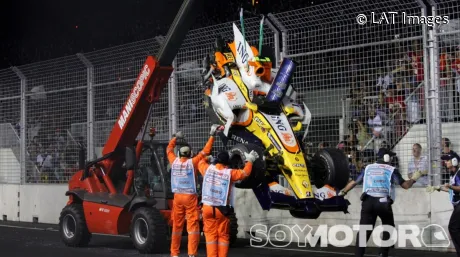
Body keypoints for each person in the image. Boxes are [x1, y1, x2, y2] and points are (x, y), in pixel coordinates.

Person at [338, 154, 427, 257]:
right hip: (383, 203)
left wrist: (343, 192)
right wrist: (414, 178)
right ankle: (383, 253)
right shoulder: (391, 169)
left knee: (364, 231)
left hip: (368, 202)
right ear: (388, 159)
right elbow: (405, 186)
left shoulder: (367, 168)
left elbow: (354, 182)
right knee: (389, 228)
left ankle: (358, 255)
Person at [167, 124, 222, 257]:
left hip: (177, 197)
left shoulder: (173, 161)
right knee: (192, 227)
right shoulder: (193, 162)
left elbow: (169, 149)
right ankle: (192, 253)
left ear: (179, 154)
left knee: (177, 226)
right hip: (190, 197)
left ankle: (174, 253)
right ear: (190, 154)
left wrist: (175, 138)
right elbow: (205, 151)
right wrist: (212, 135)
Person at [198, 149, 259, 257]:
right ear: (227, 162)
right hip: (222, 210)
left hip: (207, 208)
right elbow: (245, 173)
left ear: (217, 159)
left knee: (210, 237)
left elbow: (200, 162)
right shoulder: (229, 173)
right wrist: (249, 160)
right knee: (223, 236)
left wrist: (208, 158)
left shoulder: (207, 169)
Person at [426, 157, 460, 255]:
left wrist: (450, 186)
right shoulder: (453, 174)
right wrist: (438, 188)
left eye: (448, 160)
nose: (446, 162)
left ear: (454, 162)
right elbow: (452, 190)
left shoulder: (459, 173)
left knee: (453, 227)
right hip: (457, 205)